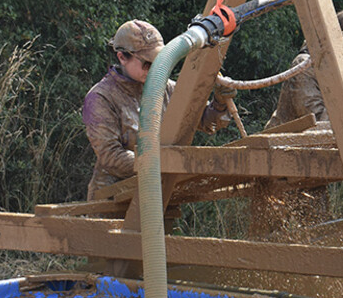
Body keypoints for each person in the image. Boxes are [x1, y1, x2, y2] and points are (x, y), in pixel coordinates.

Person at [83, 19, 233, 200]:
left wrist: (220, 102)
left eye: (159, 61)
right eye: (147, 63)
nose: (155, 69)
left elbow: (204, 121)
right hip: (113, 200)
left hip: (159, 195)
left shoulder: (167, 88)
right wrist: (164, 162)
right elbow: (111, 157)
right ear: (122, 57)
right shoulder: (101, 98)